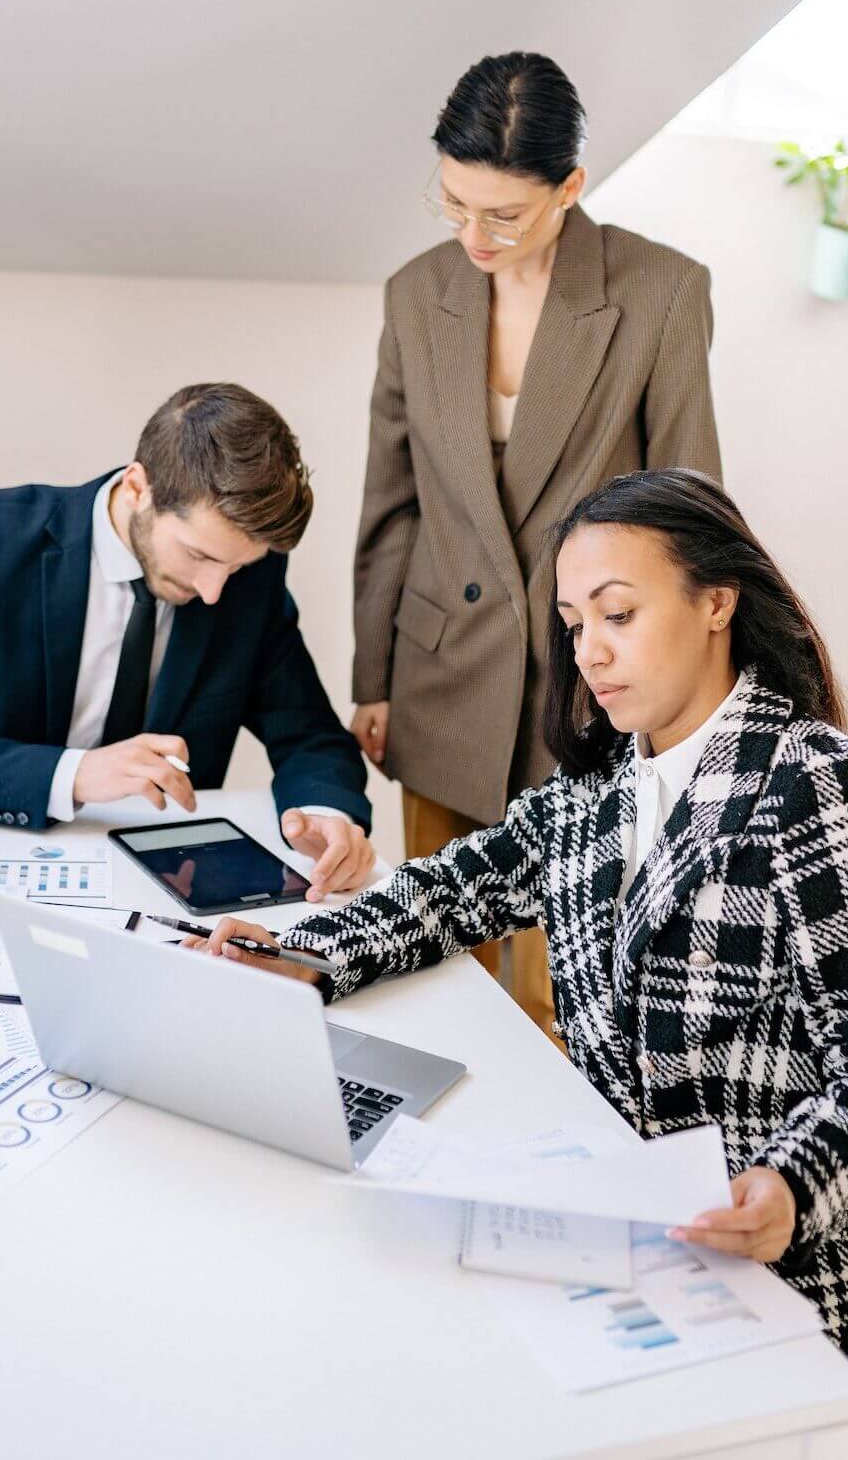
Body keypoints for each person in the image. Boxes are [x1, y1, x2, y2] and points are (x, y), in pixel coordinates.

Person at [190, 469, 848, 1363]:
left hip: (785, 1269)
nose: (589, 651)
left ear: (717, 600)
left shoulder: (818, 783)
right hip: (627, 1229)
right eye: (575, 624)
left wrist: (790, 1186)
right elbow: (452, 890)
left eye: (618, 615)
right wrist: (304, 952)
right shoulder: (600, 789)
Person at [349, 51, 721, 1035]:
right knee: (435, 964)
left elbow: (692, 509)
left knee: (577, 988)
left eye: (501, 215)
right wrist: (372, 677)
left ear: (569, 188)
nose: (472, 236)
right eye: (453, 203)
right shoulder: (410, 292)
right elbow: (392, 501)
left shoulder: (661, 293)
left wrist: (690, 701)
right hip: (441, 681)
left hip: (590, 678)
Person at [0, 383, 375, 896]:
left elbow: (312, 737)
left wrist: (329, 818)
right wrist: (73, 774)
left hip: (164, 886)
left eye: (237, 568)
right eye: (200, 556)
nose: (214, 592)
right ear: (137, 488)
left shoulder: (251, 582)